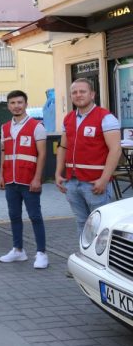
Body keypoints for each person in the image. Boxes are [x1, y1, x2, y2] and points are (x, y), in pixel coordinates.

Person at [55, 78, 121, 237]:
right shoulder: (68, 118)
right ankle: (84, 257)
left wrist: (104, 179)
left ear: (92, 94)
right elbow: (63, 147)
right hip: (72, 182)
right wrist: (58, 173)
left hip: (95, 183)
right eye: (74, 92)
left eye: (82, 91)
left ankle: (102, 261)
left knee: (100, 226)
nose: (78, 95)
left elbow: (116, 149)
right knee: (82, 223)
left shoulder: (105, 117)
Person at [0, 91, 49, 269]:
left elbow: (42, 154)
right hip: (11, 180)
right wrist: (1, 176)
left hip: (29, 180)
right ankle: (18, 250)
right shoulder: (4, 128)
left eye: (19, 102)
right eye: (12, 103)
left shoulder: (37, 126)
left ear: (26, 104)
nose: (16, 106)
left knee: (35, 216)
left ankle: (41, 253)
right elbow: (3, 153)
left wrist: (37, 178)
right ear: (8, 106)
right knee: (14, 216)